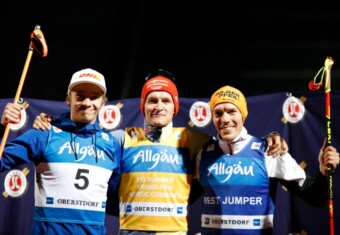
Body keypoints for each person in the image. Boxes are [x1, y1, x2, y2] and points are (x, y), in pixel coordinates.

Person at [30, 69, 289, 235]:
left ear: (175, 107)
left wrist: (269, 139)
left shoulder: (193, 138)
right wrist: (54, 123)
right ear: (143, 106)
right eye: (152, 100)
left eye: (166, 100)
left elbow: (231, 141)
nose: (159, 106)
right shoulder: (122, 137)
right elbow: (84, 139)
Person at [194, 85, 340, 235]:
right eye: (218, 113)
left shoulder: (269, 150)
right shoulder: (203, 155)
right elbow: (178, 198)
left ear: (242, 115)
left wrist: (323, 171)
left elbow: (316, 197)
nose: (225, 119)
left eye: (232, 111)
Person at [0, 68, 122, 235]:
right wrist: (2, 128)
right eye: (79, 95)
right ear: (68, 99)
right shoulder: (44, 134)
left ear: (103, 102)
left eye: (94, 97)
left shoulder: (112, 145)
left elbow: (118, 198)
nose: (87, 103)